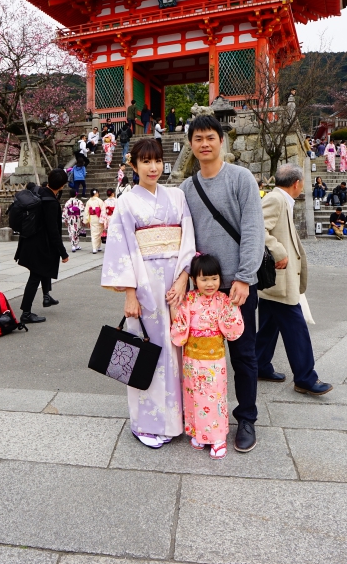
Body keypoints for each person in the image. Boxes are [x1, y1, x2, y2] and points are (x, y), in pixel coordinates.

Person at [179, 115, 264, 453]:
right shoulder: (187, 188)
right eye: (198, 138)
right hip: (201, 291)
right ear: (190, 144)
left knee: (244, 355)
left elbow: (254, 230)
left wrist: (244, 277)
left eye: (210, 137)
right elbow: (184, 239)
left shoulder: (240, 179)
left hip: (236, 287)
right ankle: (201, 418)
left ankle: (246, 418)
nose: (204, 143)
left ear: (221, 140)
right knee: (201, 359)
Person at [103, 137, 194, 449]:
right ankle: (146, 422)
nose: (153, 167)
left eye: (157, 161)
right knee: (148, 351)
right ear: (134, 165)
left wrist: (183, 279)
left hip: (175, 285)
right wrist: (130, 294)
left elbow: (188, 240)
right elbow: (121, 249)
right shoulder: (127, 203)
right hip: (145, 284)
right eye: (145, 161)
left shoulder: (177, 197)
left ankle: (179, 419)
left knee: (178, 349)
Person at [255, 163, 332, 398]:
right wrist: (279, 252)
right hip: (280, 278)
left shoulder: (280, 199)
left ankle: (260, 365)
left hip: (276, 282)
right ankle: (306, 378)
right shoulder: (276, 200)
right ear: (297, 184)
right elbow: (258, 228)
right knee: (297, 329)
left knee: (269, 325)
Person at [170, 253, 243, 460]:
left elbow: (232, 328)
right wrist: (175, 308)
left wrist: (233, 307)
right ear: (194, 280)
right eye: (204, 279)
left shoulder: (223, 300)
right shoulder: (189, 299)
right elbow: (181, 326)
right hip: (192, 359)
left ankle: (218, 437)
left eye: (214, 278)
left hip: (213, 360)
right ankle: (198, 432)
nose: (210, 284)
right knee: (194, 394)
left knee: (214, 396)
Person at [15, 168, 69, 323]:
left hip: (29, 240)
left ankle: (46, 296)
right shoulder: (51, 203)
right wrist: (63, 253)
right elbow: (54, 231)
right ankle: (26, 313)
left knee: (43, 269)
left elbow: (31, 185)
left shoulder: (39, 192)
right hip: (40, 245)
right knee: (35, 276)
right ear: (62, 185)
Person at [83, 189, 106, 254]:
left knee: (94, 233)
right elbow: (103, 211)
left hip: (92, 218)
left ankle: (96, 247)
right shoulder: (100, 201)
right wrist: (103, 220)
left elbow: (86, 212)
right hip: (99, 218)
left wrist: (86, 220)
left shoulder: (88, 202)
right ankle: (96, 247)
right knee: (98, 233)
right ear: (96, 193)